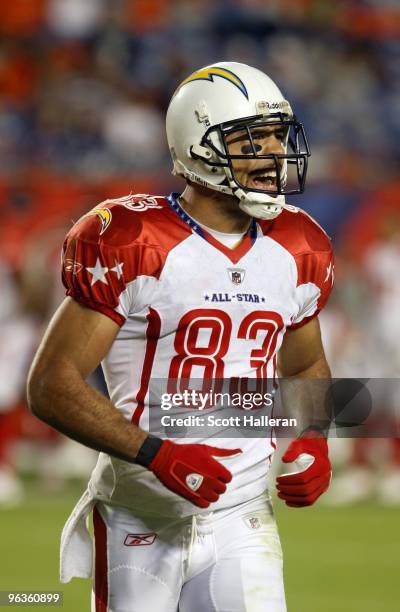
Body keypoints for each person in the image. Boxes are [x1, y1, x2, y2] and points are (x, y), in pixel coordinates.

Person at [27, 62, 334, 611]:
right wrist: (157, 454)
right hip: (138, 516)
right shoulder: (132, 238)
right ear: (199, 147)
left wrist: (313, 437)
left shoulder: (300, 243)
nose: (274, 154)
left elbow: (306, 366)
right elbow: (51, 384)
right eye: (251, 139)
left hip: (244, 513)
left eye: (278, 136)